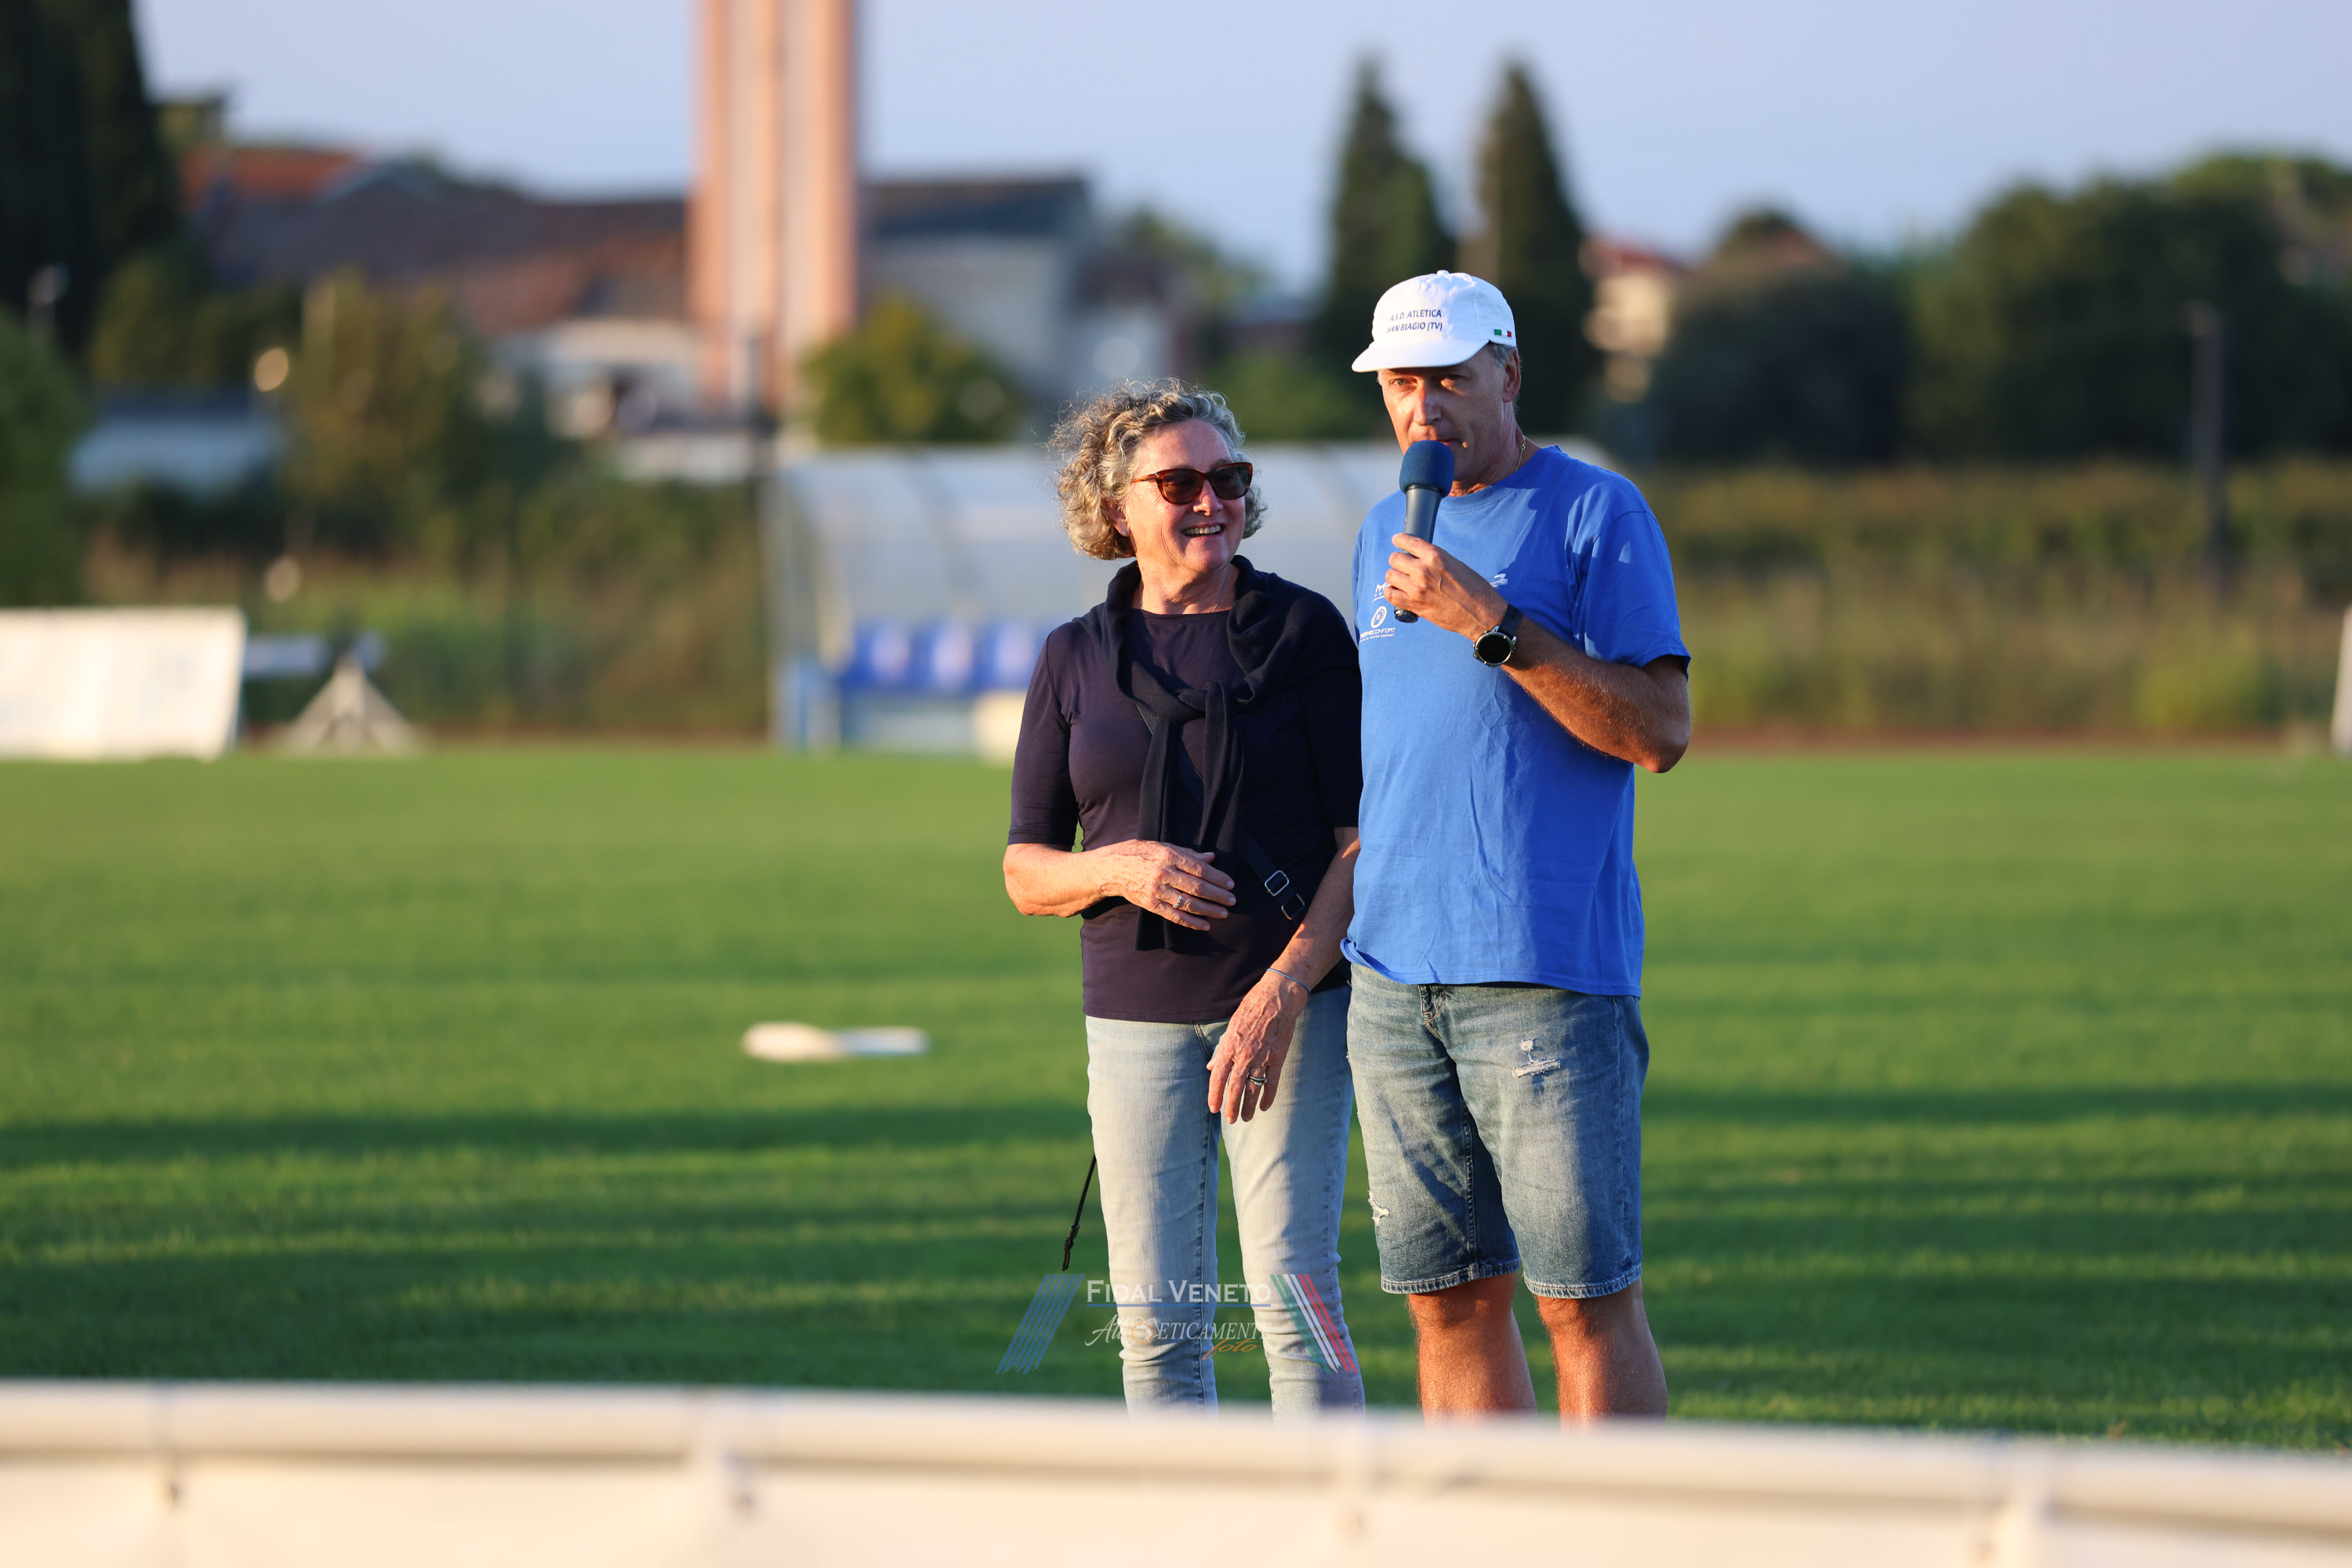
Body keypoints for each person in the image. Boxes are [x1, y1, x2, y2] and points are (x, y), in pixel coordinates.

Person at [1342, 271, 1690, 1421]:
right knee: (1446, 1306)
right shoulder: (1380, 531)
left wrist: (1491, 623)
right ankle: (1482, 1516)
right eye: (1402, 383)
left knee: (1584, 1304)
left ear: (1509, 374)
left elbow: (1659, 732)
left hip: (1541, 975)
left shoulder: (1598, 511)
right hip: (1391, 979)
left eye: (1448, 379)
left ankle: (1610, 1520)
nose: (1424, 408)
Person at [1003, 382, 1366, 1414]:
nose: (1212, 501)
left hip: (1291, 1013)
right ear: (1116, 508)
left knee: (1297, 1306)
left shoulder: (1304, 632)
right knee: (1157, 1331)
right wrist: (1118, 868)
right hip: (1133, 1023)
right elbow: (1026, 868)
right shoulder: (1072, 656)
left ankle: (1335, 1509)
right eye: (1180, 484)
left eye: (1229, 478)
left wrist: (1284, 992)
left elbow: (1360, 845)